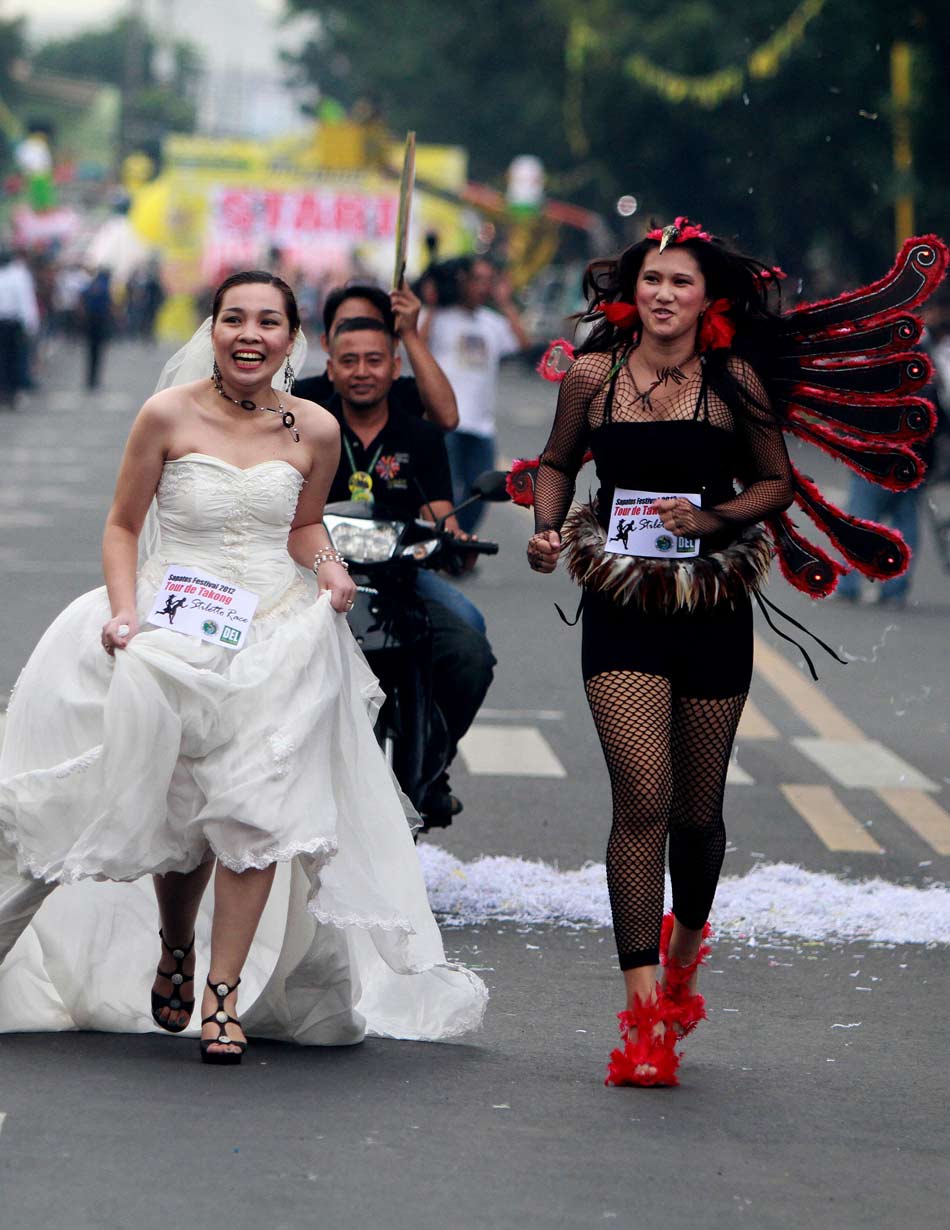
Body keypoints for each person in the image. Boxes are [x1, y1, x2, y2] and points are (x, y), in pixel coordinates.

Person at [0, 270, 486, 1063]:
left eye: (268, 321)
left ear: (293, 339)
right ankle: (175, 946)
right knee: (184, 806)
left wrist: (328, 567)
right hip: (172, 618)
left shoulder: (315, 431)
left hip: (276, 628)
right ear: (215, 330)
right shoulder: (165, 414)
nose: (249, 334)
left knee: (255, 809)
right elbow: (123, 526)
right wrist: (125, 612)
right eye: (234, 319)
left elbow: (302, 529)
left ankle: (223, 996)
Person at [526, 219, 795, 1087]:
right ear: (629, 292)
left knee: (695, 813)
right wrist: (543, 525)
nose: (665, 295)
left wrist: (711, 519)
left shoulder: (732, 382)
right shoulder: (594, 376)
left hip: (711, 601)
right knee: (641, 799)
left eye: (681, 282)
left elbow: (774, 480)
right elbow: (559, 463)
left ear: (705, 296)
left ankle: (684, 960)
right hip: (621, 603)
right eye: (652, 281)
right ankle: (644, 1023)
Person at [324, 315, 496, 824]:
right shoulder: (309, 426)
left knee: (470, 655)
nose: (362, 371)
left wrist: (455, 535)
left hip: (402, 581)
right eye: (349, 360)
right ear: (330, 369)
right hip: (323, 582)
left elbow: (438, 510)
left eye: (374, 360)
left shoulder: (419, 435)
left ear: (394, 367)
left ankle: (433, 763)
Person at [423, 257, 529, 533]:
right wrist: (432, 304)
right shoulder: (439, 318)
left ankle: (460, 546)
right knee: (441, 492)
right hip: (446, 423)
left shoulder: (492, 323)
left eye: (488, 280)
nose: (483, 287)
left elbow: (523, 342)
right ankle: (440, 546)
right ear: (463, 282)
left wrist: (505, 301)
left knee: (479, 494)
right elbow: (416, 343)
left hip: (482, 426)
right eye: (478, 279)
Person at [293, 282, 459, 431]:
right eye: (346, 326)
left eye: (369, 325)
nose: (358, 336)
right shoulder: (301, 399)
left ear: (392, 343)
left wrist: (410, 334)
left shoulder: (405, 394)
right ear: (326, 342)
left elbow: (448, 418)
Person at [0, 247, 39, 407]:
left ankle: (10, 392)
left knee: (11, 359)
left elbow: (26, 301)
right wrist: (31, 323)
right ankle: (8, 392)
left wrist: (30, 322)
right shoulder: (18, 275)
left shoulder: (18, 274)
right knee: (9, 359)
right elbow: (26, 301)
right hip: (9, 323)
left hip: (12, 323)